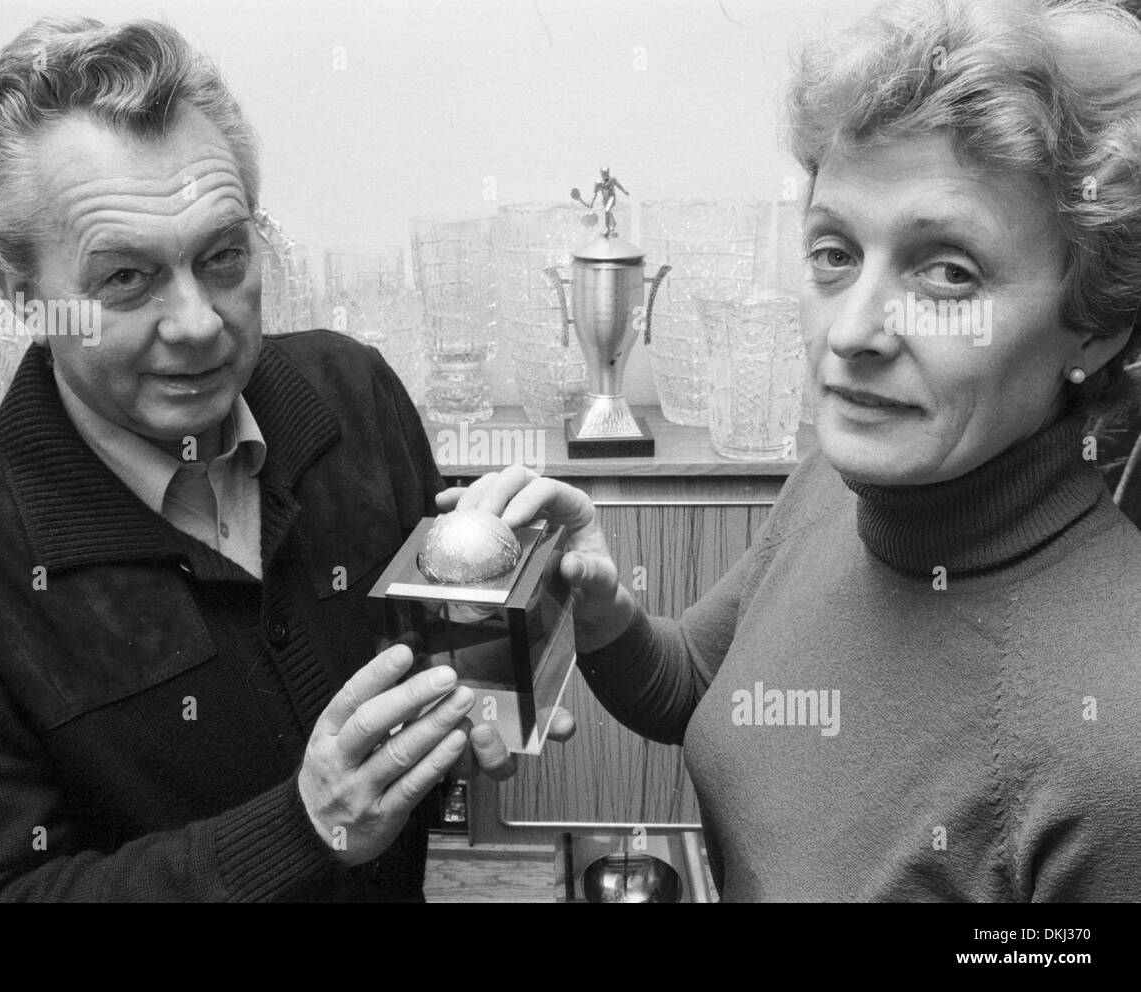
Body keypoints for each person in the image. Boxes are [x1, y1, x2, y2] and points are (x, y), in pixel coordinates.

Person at [0, 17, 553, 902]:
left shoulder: (353, 394)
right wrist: (300, 834)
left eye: (223, 256)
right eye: (124, 280)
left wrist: (511, 650)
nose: (198, 324)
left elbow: (433, 644)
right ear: (21, 296)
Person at [455, 0, 1141, 900]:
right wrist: (600, 604)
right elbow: (699, 684)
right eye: (834, 252)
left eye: (948, 273)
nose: (852, 332)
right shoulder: (840, 482)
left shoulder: (1112, 738)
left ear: (1093, 326)